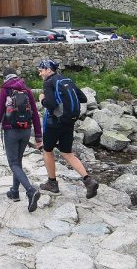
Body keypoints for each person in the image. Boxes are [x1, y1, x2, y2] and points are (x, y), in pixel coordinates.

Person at [37, 59, 99, 199]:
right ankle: (88, 180)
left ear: (48, 70)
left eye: (41, 71)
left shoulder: (48, 82)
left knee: (47, 150)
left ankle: (52, 183)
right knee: (67, 153)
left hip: (53, 123)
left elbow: (51, 105)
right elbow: (83, 98)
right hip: (69, 121)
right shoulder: (67, 80)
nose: (40, 74)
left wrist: (41, 99)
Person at [0, 67, 43, 212]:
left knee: (13, 163)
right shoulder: (26, 89)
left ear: (4, 77)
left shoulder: (5, 89)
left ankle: (30, 191)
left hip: (10, 130)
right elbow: (35, 114)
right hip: (26, 130)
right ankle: (14, 192)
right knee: (17, 162)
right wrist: (38, 135)